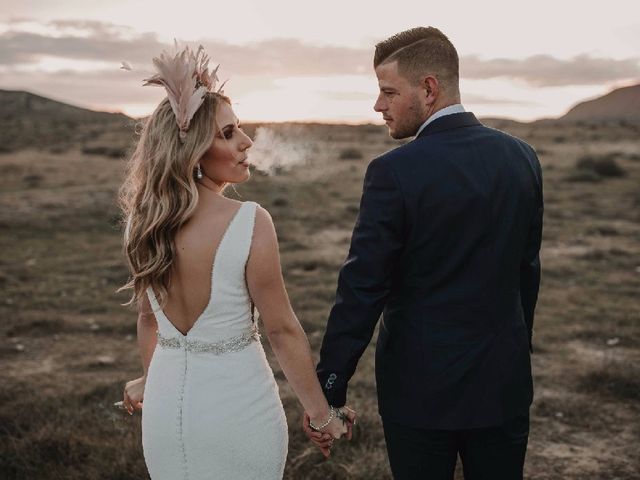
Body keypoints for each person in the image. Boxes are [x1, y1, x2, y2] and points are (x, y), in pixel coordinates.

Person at [305, 27, 543, 479]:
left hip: (420, 394)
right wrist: (515, 353)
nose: (378, 106)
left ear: (428, 88)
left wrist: (330, 388)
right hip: (504, 384)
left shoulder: (393, 172)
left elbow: (361, 290)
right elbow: (526, 273)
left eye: (388, 92)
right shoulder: (523, 157)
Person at [118, 44, 353, 480]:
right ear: (192, 151)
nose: (246, 142)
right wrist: (322, 416)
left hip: (168, 416)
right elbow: (282, 330)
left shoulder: (141, 224)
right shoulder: (250, 221)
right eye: (227, 134)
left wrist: (151, 380)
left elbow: (150, 322)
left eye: (239, 129)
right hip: (240, 414)